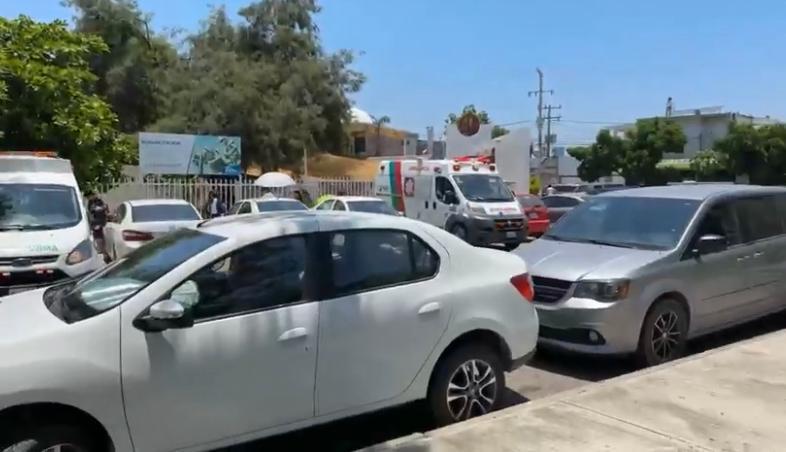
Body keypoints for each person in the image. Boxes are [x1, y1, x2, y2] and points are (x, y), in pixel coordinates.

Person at [86, 190, 108, 257]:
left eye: (90, 196)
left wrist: (101, 208)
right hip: (95, 223)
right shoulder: (90, 202)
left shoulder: (99, 201)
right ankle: (101, 251)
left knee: (102, 237)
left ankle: (104, 251)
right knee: (98, 237)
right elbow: (91, 211)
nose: (89, 198)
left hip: (102, 221)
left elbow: (104, 208)